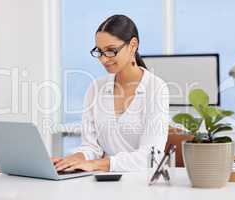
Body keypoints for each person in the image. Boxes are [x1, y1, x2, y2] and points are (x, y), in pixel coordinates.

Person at [52, 14, 169, 172]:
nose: (103, 59)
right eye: (99, 51)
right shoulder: (96, 88)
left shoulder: (156, 88)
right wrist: (74, 159)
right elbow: (91, 147)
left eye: (111, 51)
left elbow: (151, 157)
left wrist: (100, 164)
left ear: (133, 45)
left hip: (140, 185)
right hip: (103, 183)